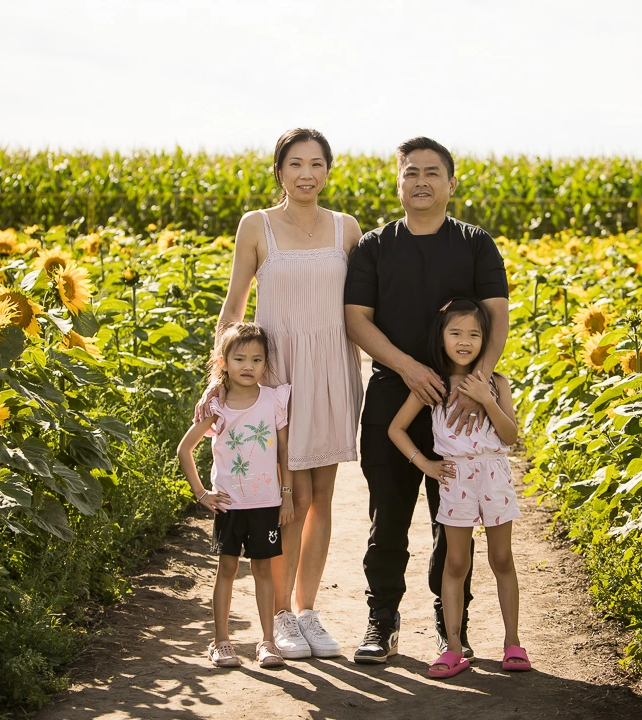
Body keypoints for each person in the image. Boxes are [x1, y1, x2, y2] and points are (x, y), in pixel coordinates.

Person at [197, 128, 363, 659]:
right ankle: (283, 617)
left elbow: (361, 310)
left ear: (329, 171)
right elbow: (234, 307)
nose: (307, 174)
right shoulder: (257, 225)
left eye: (317, 164)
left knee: (323, 498)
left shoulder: (347, 229)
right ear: (280, 170)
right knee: (289, 501)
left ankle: (308, 612)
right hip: (277, 376)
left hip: (332, 368)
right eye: (296, 164)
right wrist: (216, 379)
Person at [344, 137, 510, 664]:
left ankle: (449, 623)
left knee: (453, 522)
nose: (421, 180)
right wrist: (409, 367)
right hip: (395, 393)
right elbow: (356, 320)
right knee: (387, 515)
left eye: (432, 172)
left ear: (451, 183)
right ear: (399, 182)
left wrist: (476, 385)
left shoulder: (476, 244)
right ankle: (381, 619)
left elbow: (496, 315)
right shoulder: (374, 246)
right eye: (410, 172)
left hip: (460, 401)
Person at [388, 298, 529, 678]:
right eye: (456, 333)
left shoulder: (496, 382)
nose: (464, 341)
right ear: (442, 337)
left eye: (474, 334)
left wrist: (487, 399)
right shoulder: (432, 384)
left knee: (502, 560)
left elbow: (511, 436)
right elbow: (395, 429)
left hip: (494, 475)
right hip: (456, 480)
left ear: (486, 340)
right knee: (455, 563)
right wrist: (427, 465)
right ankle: (453, 647)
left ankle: (512, 642)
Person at [177, 323, 293, 669]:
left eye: (257, 359)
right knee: (226, 568)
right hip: (229, 505)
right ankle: (221, 641)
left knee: (263, 570)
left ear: (265, 364)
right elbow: (185, 450)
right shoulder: (218, 407)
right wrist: (201, 494)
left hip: (266, 503)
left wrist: (286, 495)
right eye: (239, 358)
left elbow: (283, 452)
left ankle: (268, 642)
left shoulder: (274, 399)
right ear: (223, 361)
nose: (248, 365)